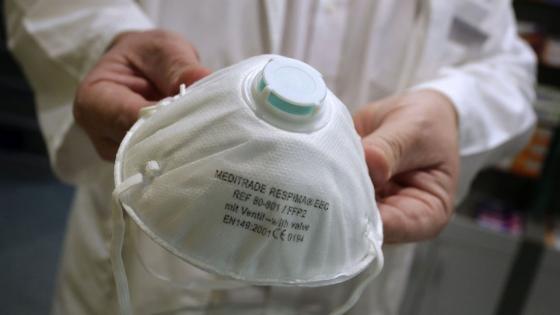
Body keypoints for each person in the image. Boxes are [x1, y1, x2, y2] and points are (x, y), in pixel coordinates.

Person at [5, 1, 536, 314]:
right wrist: (108, 39)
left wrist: (452, 108)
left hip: (354, 266)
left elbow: (505, 65)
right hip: (149, 266)